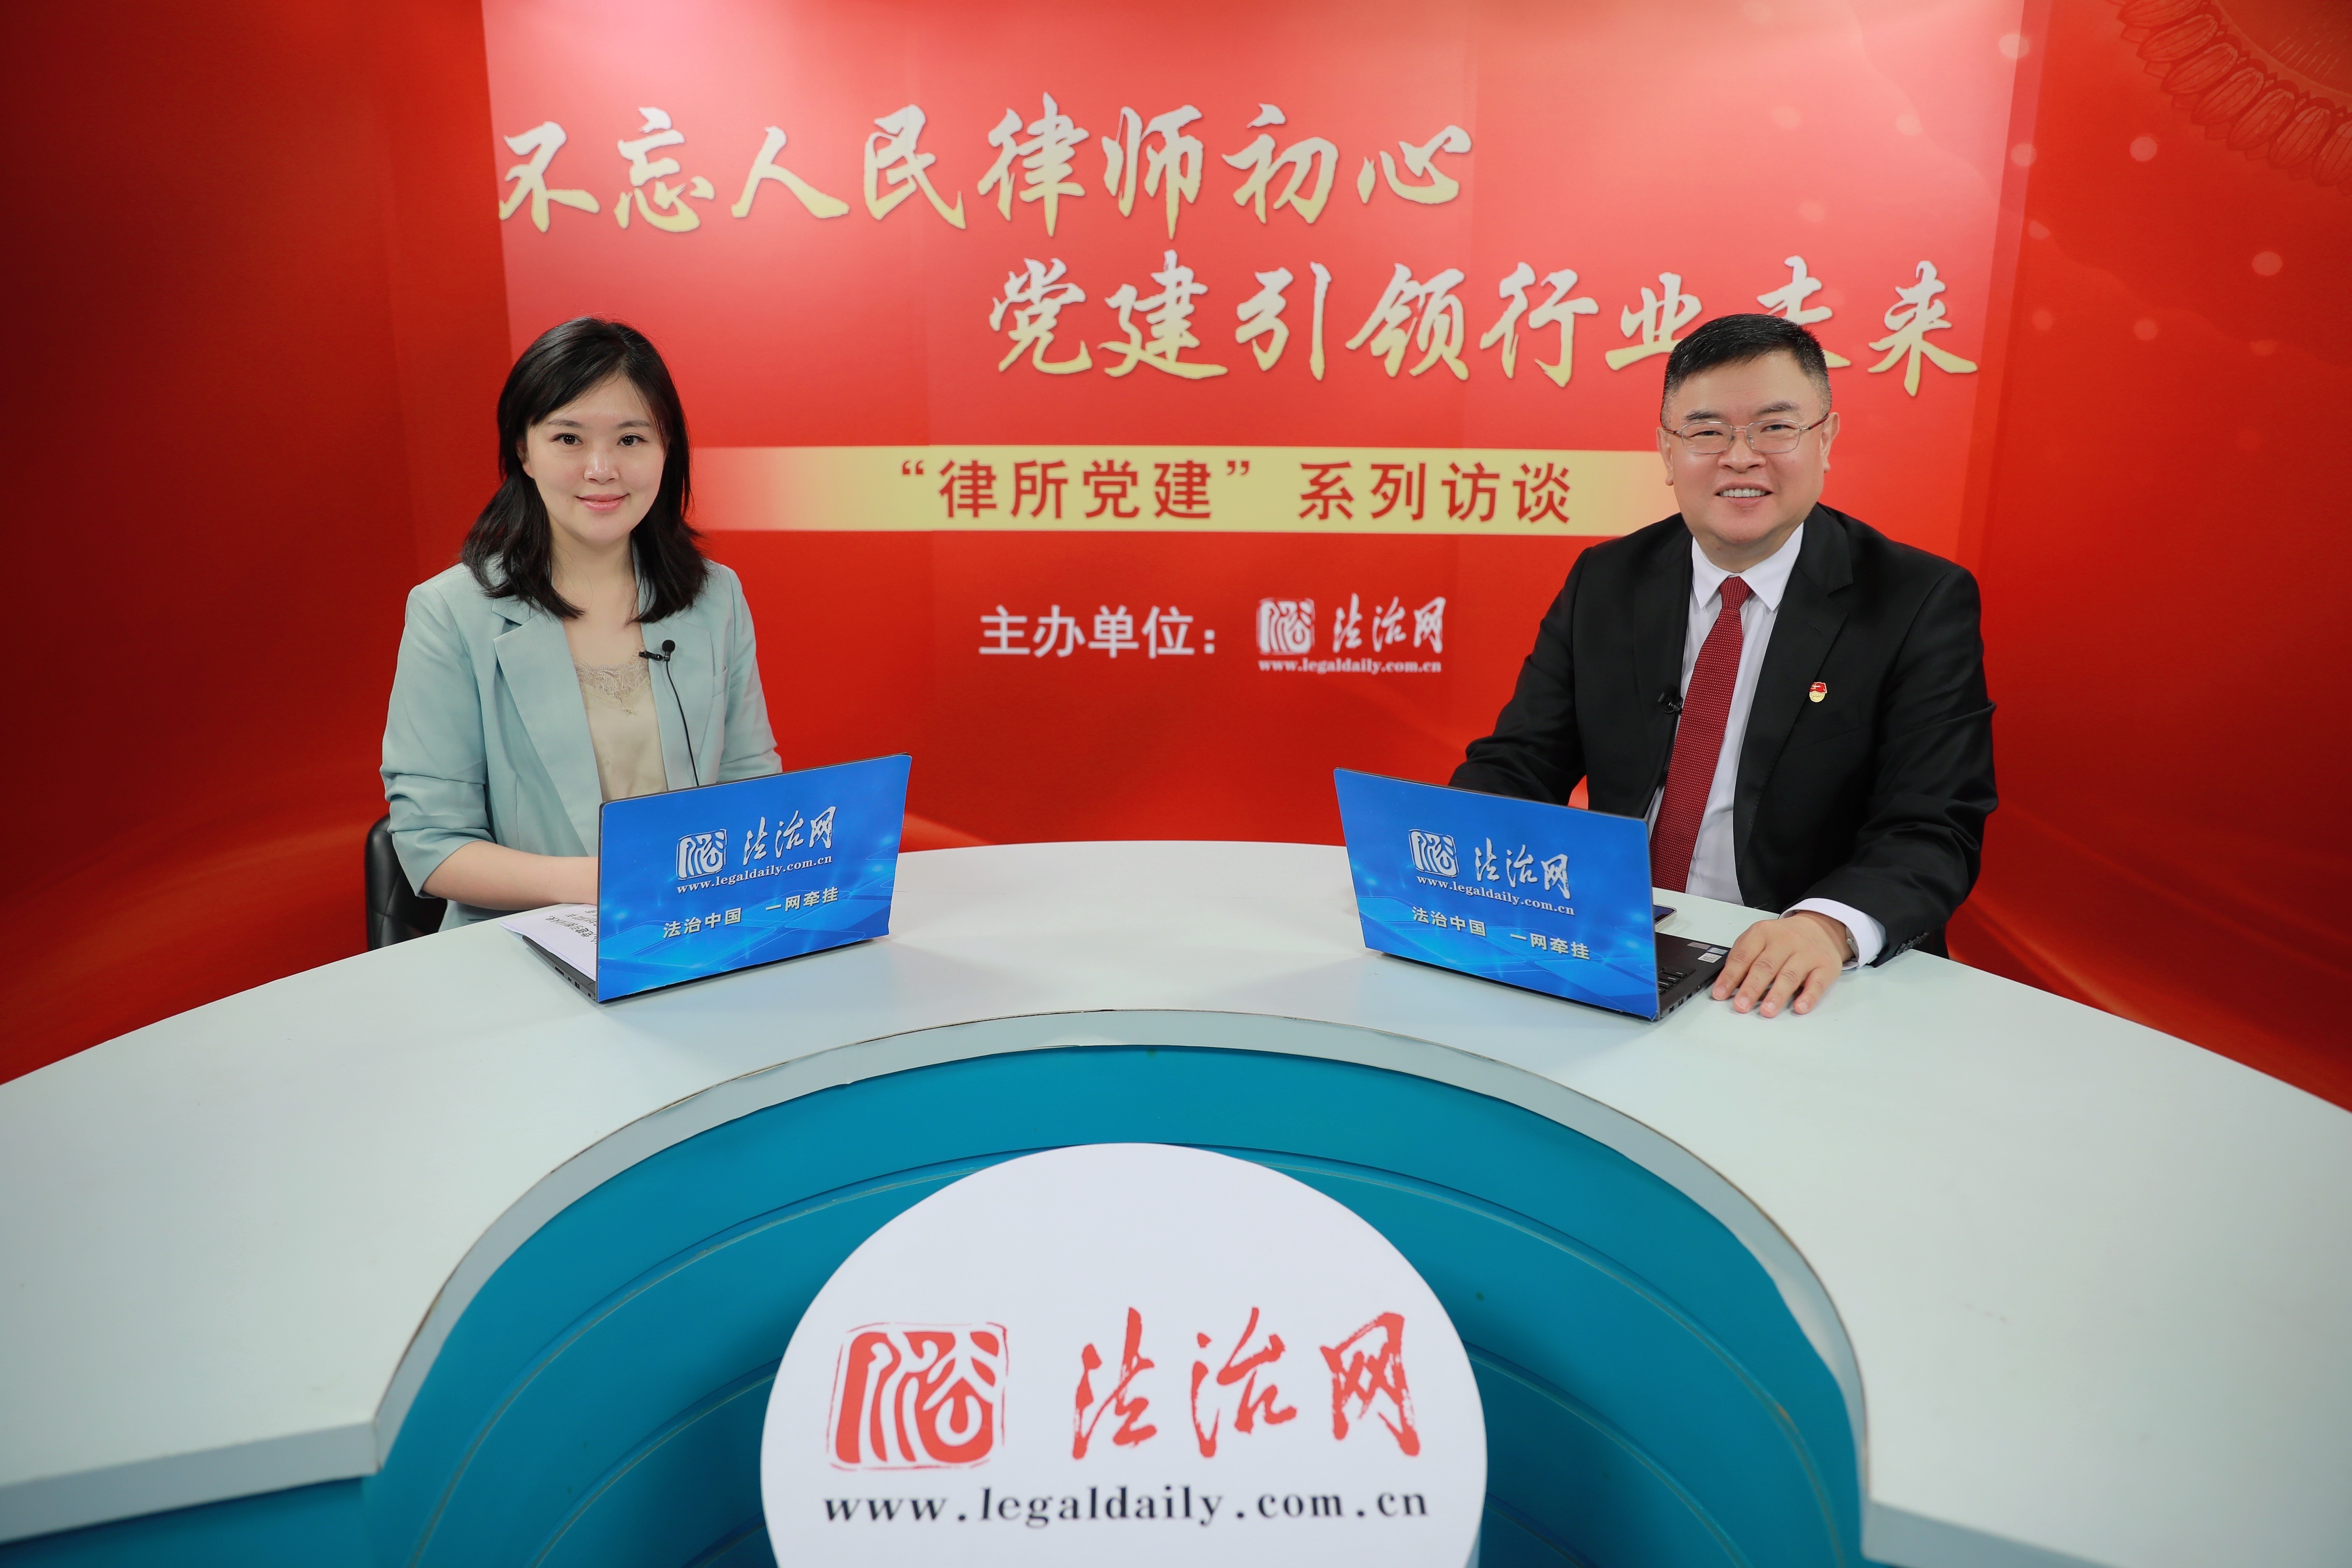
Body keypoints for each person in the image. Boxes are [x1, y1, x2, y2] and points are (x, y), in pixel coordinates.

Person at [1452, 313, 1994, 1017]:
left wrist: (1825, 927)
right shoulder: (1607, 580)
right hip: (1621, 949)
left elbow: (1933, 827)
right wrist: (1459, 858)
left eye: (1775, 428)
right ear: (1667, 450)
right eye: (1707, 432)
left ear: (1825, 439)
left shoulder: (1916, 601)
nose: (1741, 458)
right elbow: (1520, 763)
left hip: (1803, 976)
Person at [382, 317, 780, 928]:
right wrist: (606, 884)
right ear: (524, 450)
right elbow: (433, 845)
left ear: (667, 450)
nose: (601, 468)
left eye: (630, 439)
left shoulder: (715, 597)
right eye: (569, 438)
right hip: (523, 949)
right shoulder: (451, 612)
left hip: (693, 934)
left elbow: (750, 784)